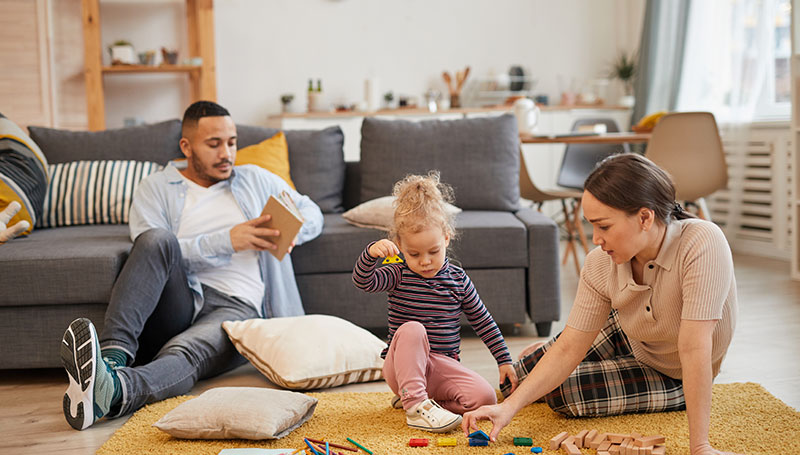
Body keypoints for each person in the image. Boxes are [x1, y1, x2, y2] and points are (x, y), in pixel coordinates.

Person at [60, 101, 323, 431]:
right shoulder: (155, 188)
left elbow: (312, 210)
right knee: (157, 239)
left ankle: (112, 390)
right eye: (214, 144)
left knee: (183, 351)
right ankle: (112, 358)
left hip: (237, 306)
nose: (226, 153)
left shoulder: (255, 179)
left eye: (232, 142)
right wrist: (227, 241)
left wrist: (297, 227)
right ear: (186, 146)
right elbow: (148, 255)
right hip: (179, 299)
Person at [462, 153, 740, 455]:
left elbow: (694, 347)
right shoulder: (599, 263)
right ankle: (543, 352)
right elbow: (571, 346)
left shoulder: (702, 243)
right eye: (591, 226)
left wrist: (700, 447)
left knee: (565, 393)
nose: (595, 238)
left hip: (675, 371)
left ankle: (681, 395)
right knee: (517, 377)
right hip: (631, 332)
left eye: (604, 227)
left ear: (645, 218)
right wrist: (508, 408)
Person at [352, 171, 518, 434]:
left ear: (446, 238)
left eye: (433, 251)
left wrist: (504, 360)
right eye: (414, 253)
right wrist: (371, 254)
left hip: (442, 367)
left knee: (486, 398)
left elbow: (483, 321)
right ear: (399, 246)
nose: (425, 261)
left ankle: (421, 401)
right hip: (401, 366)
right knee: (413, 329)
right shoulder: (398, 271)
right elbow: (365, 282)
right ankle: (416, 404)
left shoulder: (458, 279)